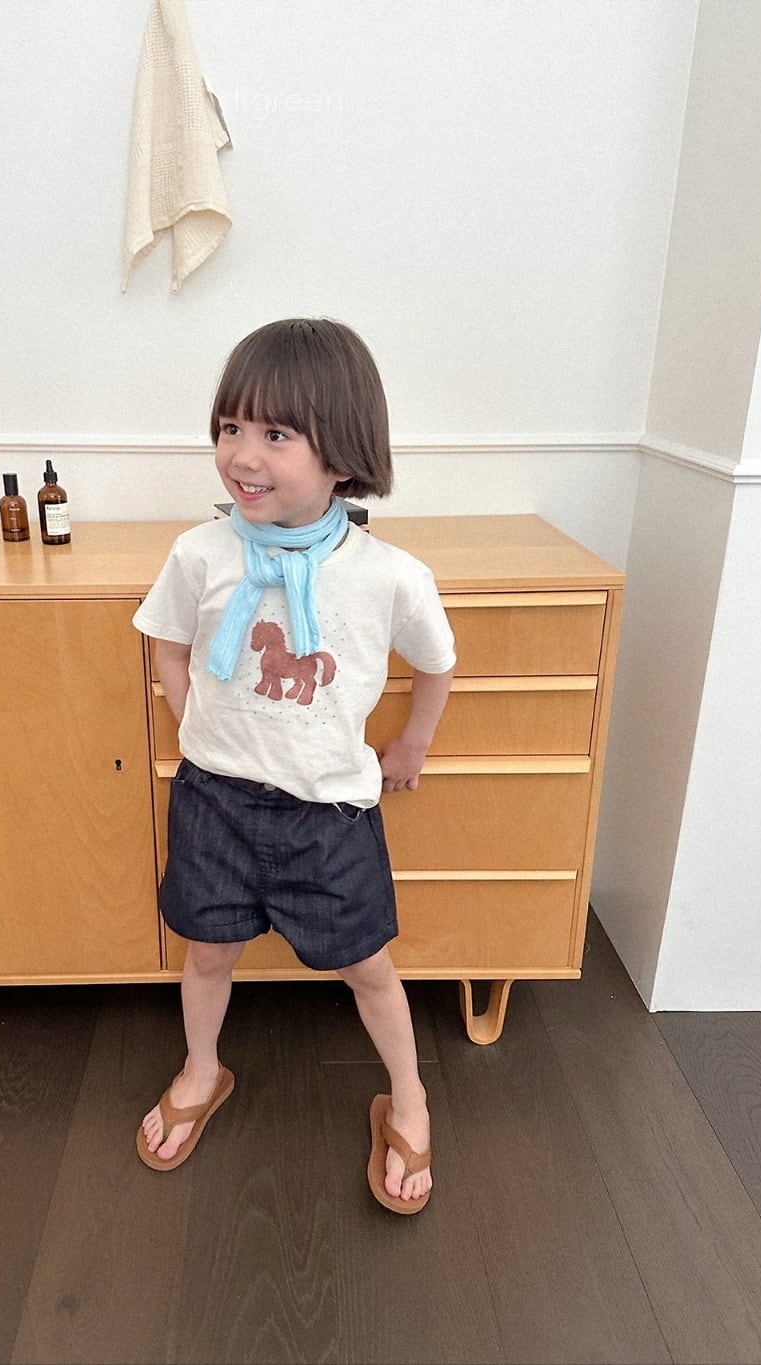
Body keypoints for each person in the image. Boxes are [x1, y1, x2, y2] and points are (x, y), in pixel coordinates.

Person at [132, 317, 456, 1213]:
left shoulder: (390, 575)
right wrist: (195, 718)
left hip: (330, 814)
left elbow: (437, 663)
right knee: (207, 952)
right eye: (231, 427)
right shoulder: (200, 552)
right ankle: (202, 1068)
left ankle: (410, 1096)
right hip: (214, 802)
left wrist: (412, 744)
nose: (243, 454)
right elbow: (167, 642)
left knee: (369, 965)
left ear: (342, 454)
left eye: (276, 433)